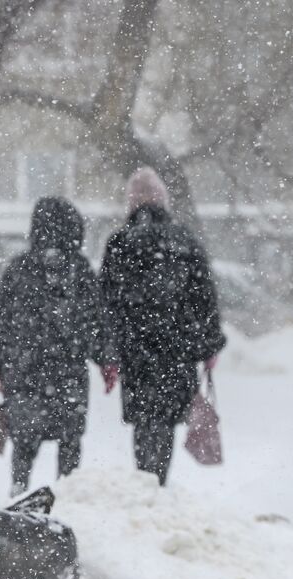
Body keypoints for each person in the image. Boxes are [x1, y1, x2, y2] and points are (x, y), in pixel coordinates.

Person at [100, 167, 224, 485]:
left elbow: (107, 305)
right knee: (165, 421)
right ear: (163, 202)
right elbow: (204, 300)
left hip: (136, 354)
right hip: (175, 354)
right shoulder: (185, 242)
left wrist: (110, 352)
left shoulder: (119, 244)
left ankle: (146, 479)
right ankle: (158, 481)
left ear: (131, 204)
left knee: (145, 421)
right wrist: (209, 347)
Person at [0, 197, 110, 496]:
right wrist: (105, 359)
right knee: (69, 441)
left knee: (24, 440)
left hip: (24, 370)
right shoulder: (80, 272)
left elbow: (1, 322)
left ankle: (19, 489)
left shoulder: (18, 269)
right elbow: (95, 321)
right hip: (68, 372)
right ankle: (66, 496)